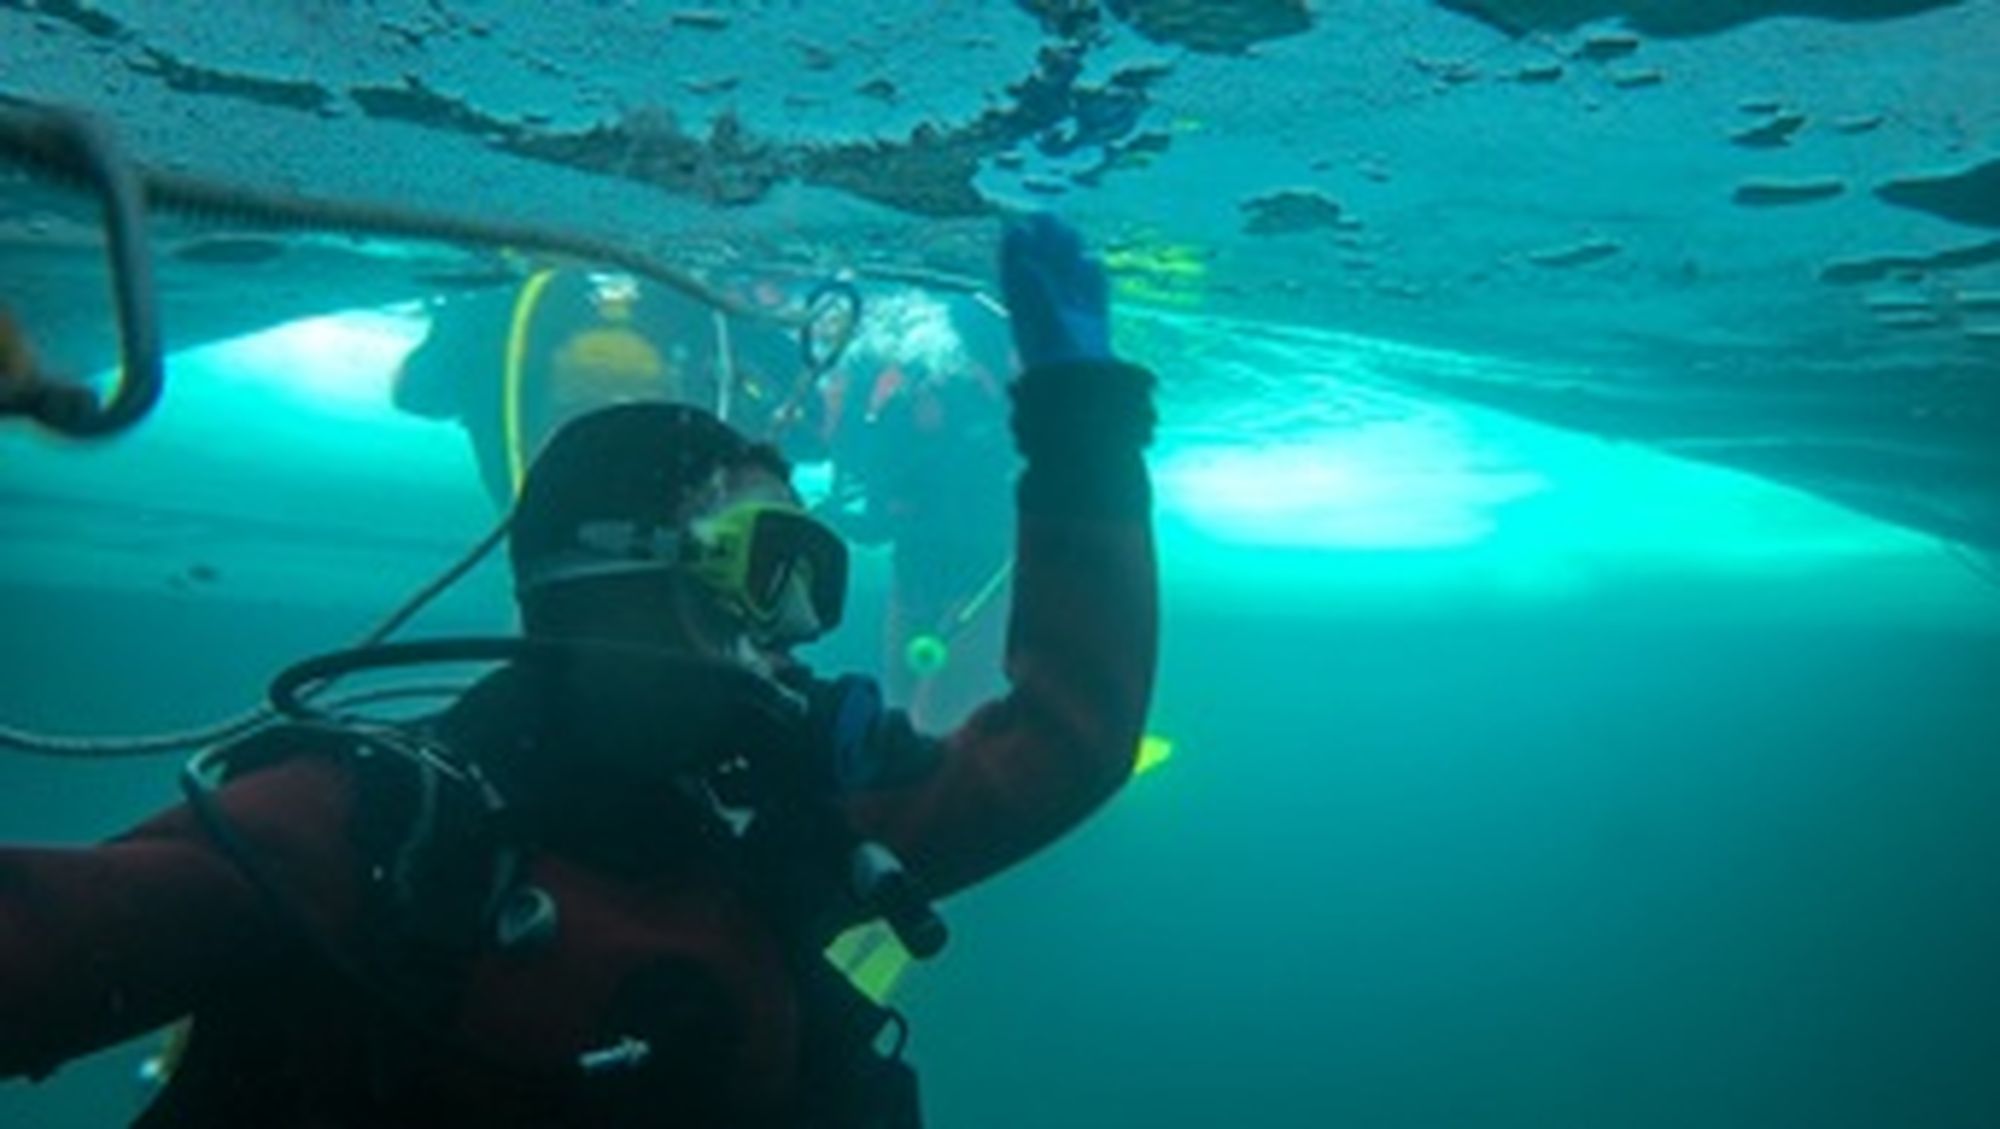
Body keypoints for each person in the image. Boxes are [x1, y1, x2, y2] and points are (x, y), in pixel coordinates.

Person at [0, 214, 1159, 1128]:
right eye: (767, 567)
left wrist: (1081, 430)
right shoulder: (362, 835)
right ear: (613, 575)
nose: (796, 627)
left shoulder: (779, 818)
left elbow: (1062, 740)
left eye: (811, 576)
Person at [394, 266, 801, 505]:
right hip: (663, 505)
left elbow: (417, 393)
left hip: (546, 503)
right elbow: (805, 434)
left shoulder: (510, 321)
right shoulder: (698, 325)